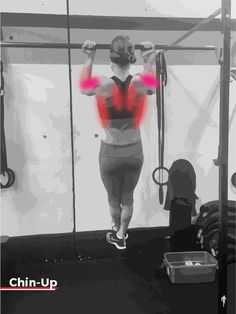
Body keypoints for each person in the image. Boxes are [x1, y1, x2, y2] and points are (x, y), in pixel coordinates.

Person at [80, 35, 156, 249]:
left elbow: (84, 89)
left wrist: (89, 57)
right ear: (130, 60)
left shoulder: (102, 83)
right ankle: (122, 233)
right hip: (134, 153)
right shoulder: (141, 81)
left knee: (114, 199)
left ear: (111, 62)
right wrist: (147, 57)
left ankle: (116, 228)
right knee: (128, 198)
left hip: (110, 154)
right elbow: (152, 88)